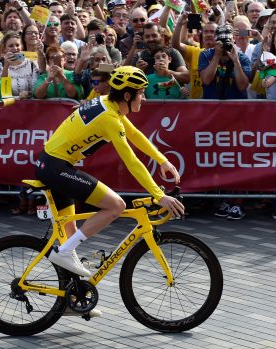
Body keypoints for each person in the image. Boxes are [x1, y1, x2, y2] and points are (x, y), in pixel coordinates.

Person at [38, 66, 185, 277]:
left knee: (69, 244)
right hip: (56, 167)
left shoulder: (110, 104)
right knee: (116, 206)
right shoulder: (110, 118)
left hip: (55, 165)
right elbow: (131, 162)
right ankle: (64, 254)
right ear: (127, 95)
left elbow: (134, 134)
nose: (144, 98)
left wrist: (162, 160)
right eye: (141, 93)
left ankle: (73, 301)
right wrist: (159, 195)